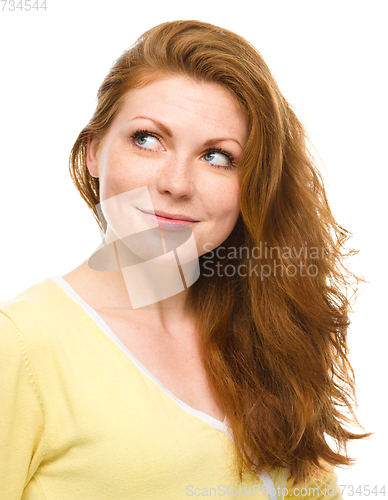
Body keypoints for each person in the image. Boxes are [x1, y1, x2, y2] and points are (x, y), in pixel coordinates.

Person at [0, 20, 370, 499]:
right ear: (94, 152)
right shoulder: (21, 347)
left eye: (217, 156)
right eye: (148, 139)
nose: (176, 183)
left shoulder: (272, 333)